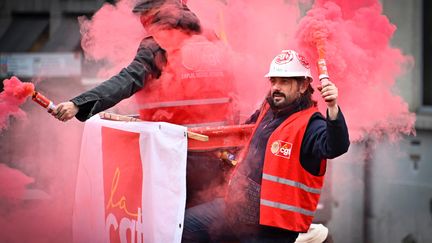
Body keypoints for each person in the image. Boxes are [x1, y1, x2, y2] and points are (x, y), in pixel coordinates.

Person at [181, 49, 350, 242]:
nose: (276, 87)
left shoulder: (312, 124)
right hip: (234, 211)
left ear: (303, 86)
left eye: (284, 81)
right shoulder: (269, 108)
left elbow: (336, 146)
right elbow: (242, 132)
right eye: (273, 81)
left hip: (270, 229)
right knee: (185, 229)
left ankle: (309, 237)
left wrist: (333, 108)